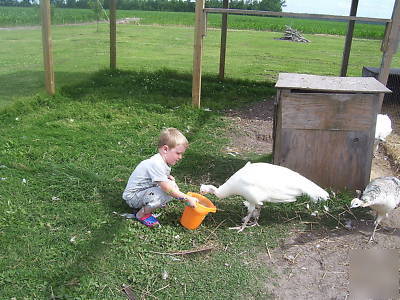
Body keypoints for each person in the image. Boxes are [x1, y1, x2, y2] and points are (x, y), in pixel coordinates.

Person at [122, 128, 198, 227]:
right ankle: (141, 214)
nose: (180, 157)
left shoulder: (162, 162)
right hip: (133, 197)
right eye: (178, 153)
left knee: (171, 186)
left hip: (143, 191)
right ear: (165, 149)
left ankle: (147, 205)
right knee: (165, 193)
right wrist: (186, 198)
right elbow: (166, 188)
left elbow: (163, 179)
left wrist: (169, 180)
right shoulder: (156, 163)